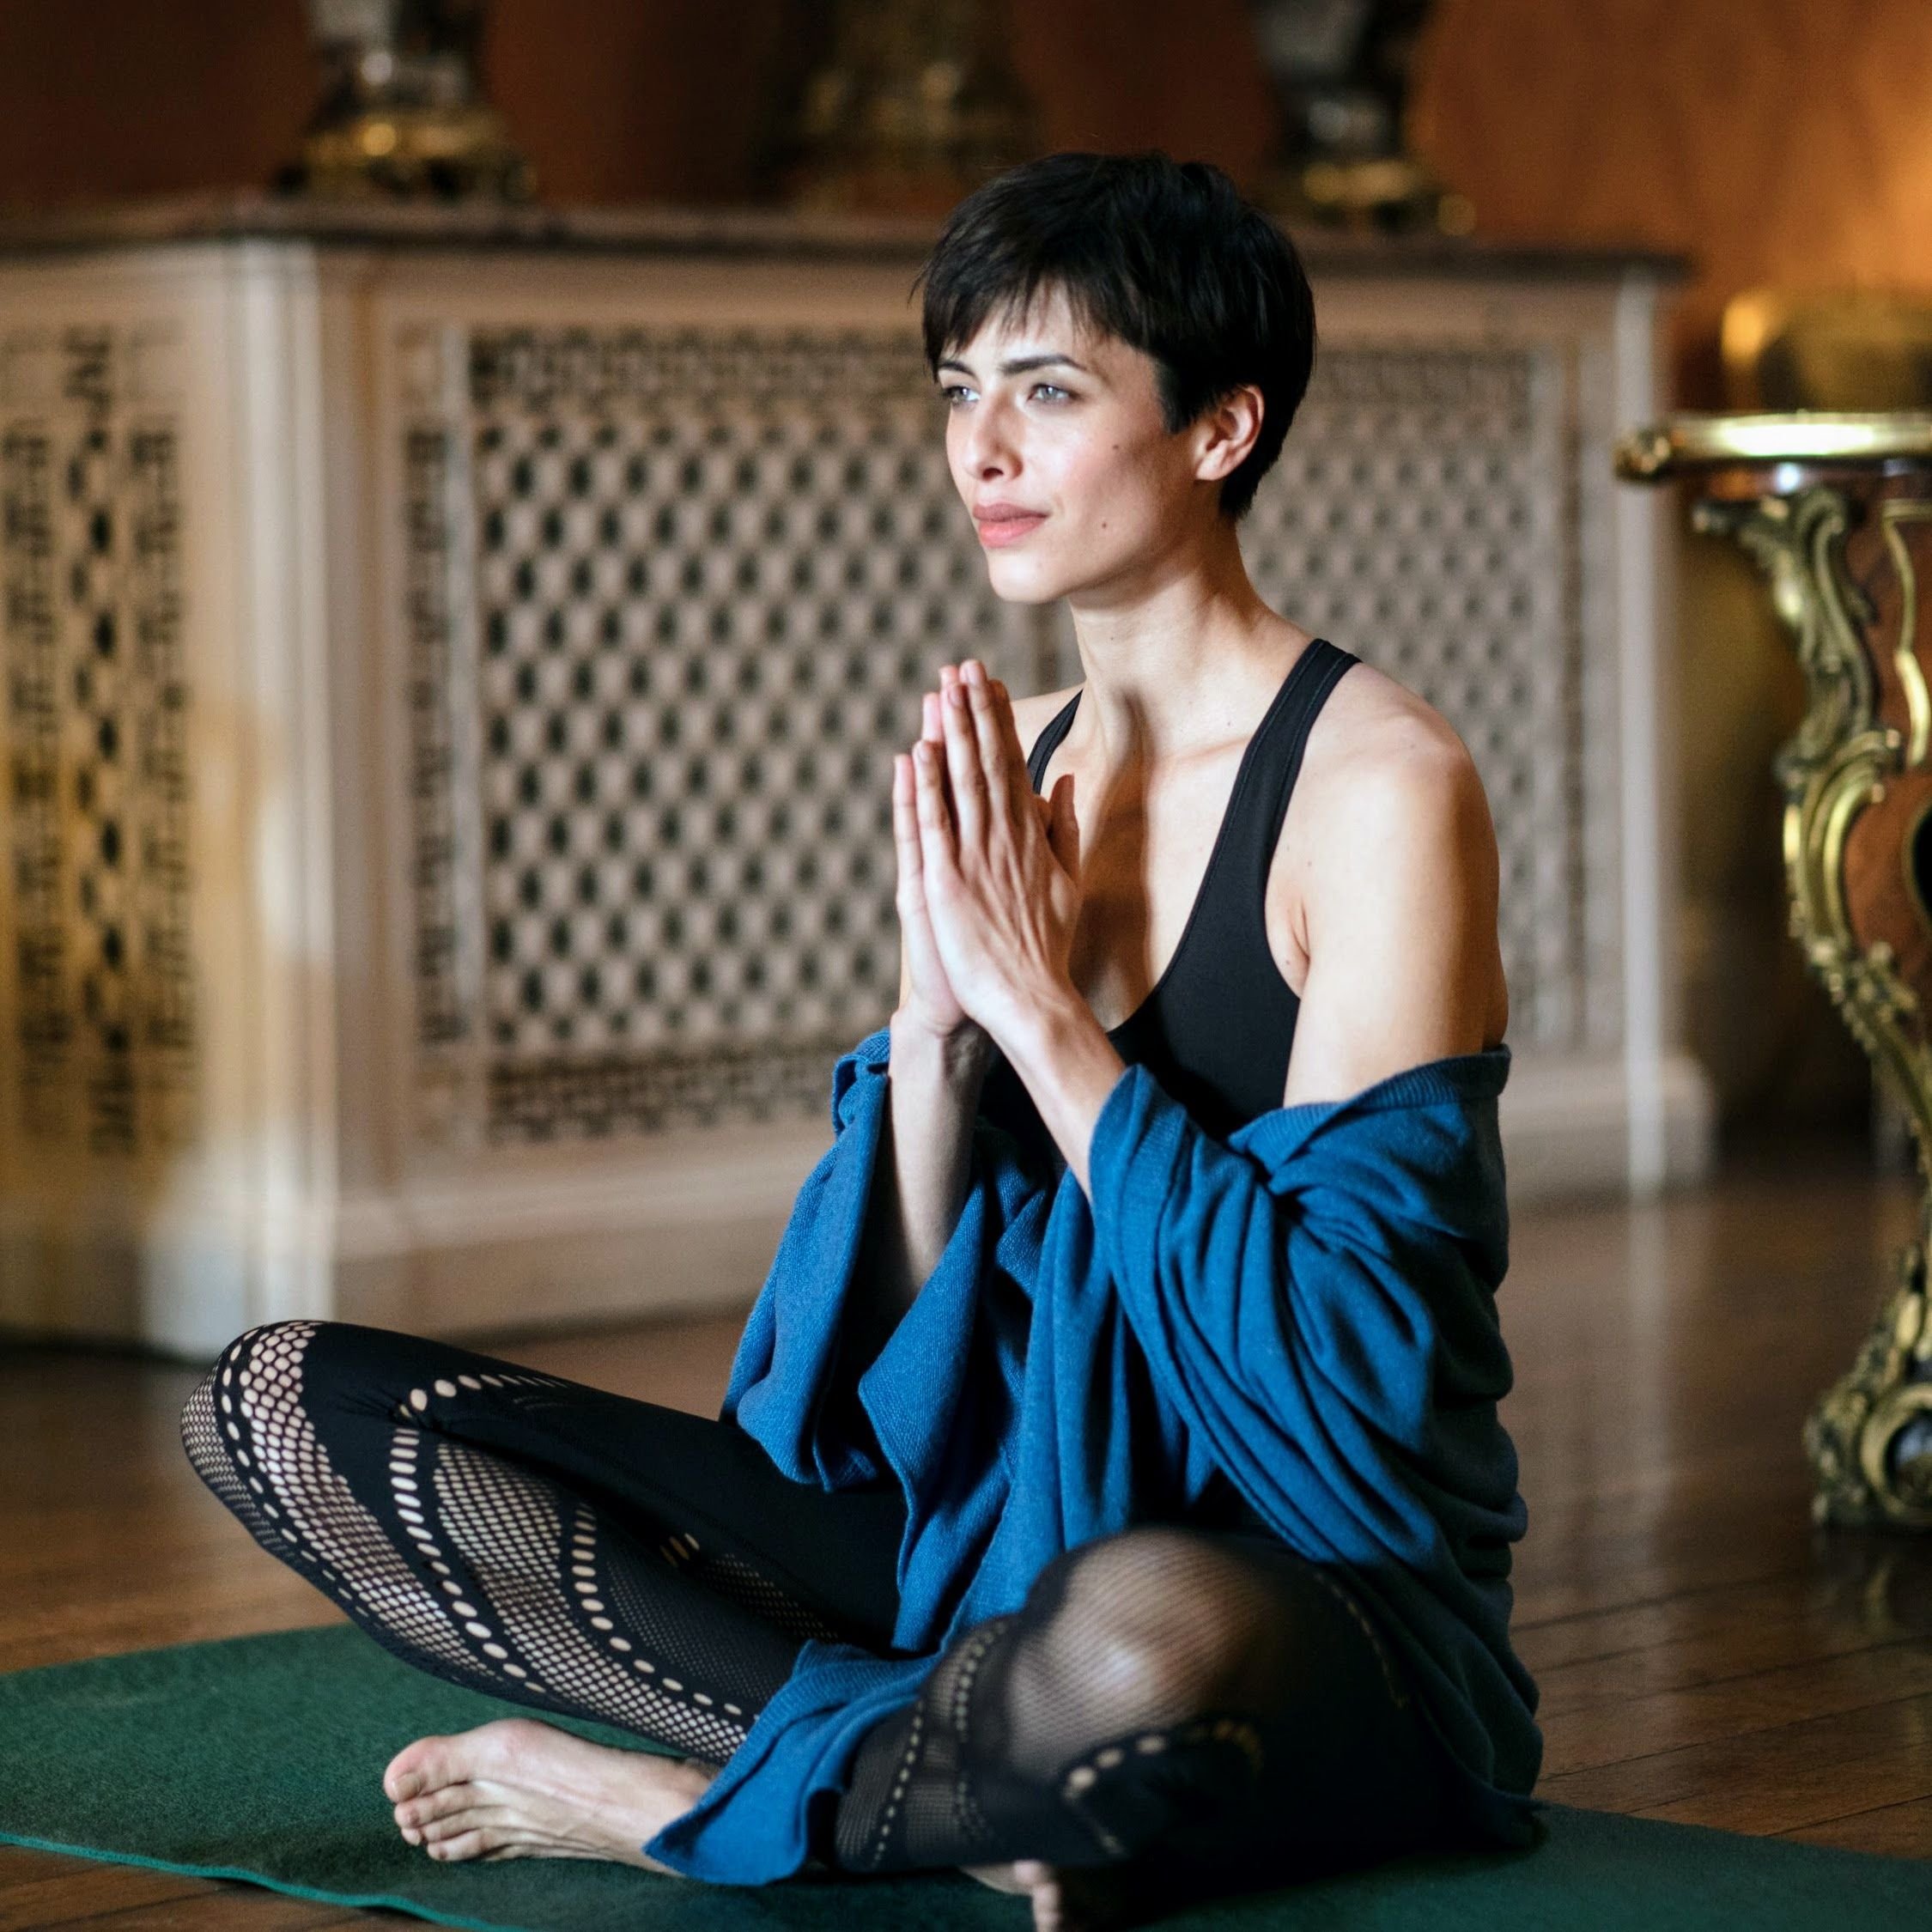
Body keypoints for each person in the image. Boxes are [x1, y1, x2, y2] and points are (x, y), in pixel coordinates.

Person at [181, 150, 1539, 1932]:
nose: (980, 451)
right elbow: (847, 1394)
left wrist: (1049, 1023)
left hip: (1295, 1582)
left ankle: (694, 1806)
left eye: (1047, 395)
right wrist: (931, 1024)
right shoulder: (1013, 755)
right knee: (278, 1407)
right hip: (975, 1540)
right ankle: (956, 1782)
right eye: (959, 392)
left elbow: (1351, 1390)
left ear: (1221, 429)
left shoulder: (1379, 790)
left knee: (1131, 1644)